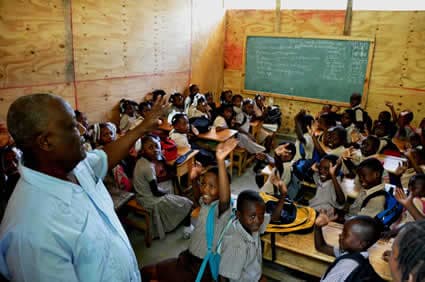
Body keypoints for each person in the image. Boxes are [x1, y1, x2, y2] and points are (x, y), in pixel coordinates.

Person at [0, 93, 169, 281]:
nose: (83, 129)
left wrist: (143, 127)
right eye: (72, 126)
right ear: (46, 142)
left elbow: (105, 157)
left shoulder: (73, 166)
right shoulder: (31, 234)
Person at [141, 138, 238, 282]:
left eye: (212, 186)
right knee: (149, 272)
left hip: (200, 265)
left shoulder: (222, 209)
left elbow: (224, 197)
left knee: (149, 273)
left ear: (223, 189)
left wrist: (220, 161)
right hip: (188, 257)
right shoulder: (207, 202)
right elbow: (198, 198)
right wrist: (194, 180)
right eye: (204, 183)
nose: (205, 188)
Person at [133, 135, 193, 240]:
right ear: (143, 151)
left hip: (141, 195)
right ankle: (188, 229)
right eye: (150, 148)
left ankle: (175, 214)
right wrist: (167, 194)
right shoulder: (148, 167)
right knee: (187, 203)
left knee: (172, 190)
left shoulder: (141, 161)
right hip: (150, 200)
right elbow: (156, 192)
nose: (155, 150)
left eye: (156, 146)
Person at [314, 212, 384, 282]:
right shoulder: (353, 254)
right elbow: (322, 247)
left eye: (345, 234)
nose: (340, 235)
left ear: (361, 244)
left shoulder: (347, 266)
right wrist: (317, 227)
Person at [218, 190, 266, 282]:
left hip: (254, 275)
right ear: (238, 214)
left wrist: (283, 194)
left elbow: (273, 217)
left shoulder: (250, 226)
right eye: (252, 216)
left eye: (261, 215)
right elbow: (223, 276)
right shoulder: (237, 245)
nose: (258, 221)